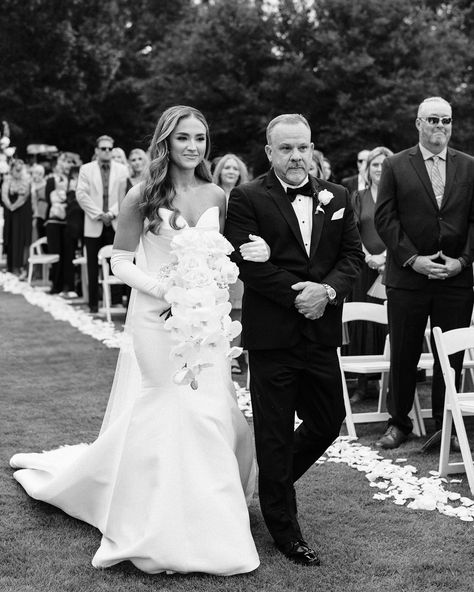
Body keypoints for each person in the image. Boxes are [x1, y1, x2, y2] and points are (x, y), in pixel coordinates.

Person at [10, 105, 270, 576]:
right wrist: (165, 289)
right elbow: (120, 260)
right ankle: (153, 522)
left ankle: (210, 515)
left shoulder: (217, 194)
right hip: (156, 320)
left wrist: (217, 297)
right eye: (183, 138)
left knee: (212, 411)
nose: (193, 147)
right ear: (165, 142)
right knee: (170, 408)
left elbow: (225, 258)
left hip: (205, 323)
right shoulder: (141, 195)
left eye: (200, 138)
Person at [225, 113, 364, 566]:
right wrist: (299, 294)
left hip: (321, 331)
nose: (296, 156)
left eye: (302, 147)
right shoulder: (246, 197)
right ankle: (285, 530)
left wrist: (326, 292)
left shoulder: (337, 196)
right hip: (273, 337)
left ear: (311, 147)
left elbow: (351, 257)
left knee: (327, 422)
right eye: (286, 148)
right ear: (269, 153)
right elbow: (249, 265)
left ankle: (272, 486)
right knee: (275, 432)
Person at [374, 96, 474, 450]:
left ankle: (442, 426)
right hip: (408, 278)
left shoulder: (468, 165)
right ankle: (399, 423)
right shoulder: (396, 165)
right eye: (432, 120)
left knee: (452, 356)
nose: (440, 127)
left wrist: (462, 261)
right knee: (404, 353)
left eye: (446, 121)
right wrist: (413, 259)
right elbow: (385, 218)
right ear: (418, 123)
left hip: (455, 279)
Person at [347, 146, 393, 402]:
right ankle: (363, 385)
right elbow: (353, 231)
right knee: (363, 323)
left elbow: (404, 230)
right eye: (375, 165)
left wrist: (386, 258)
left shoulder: (400, 197)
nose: (379, 169)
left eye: (384, 165)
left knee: (389, 323)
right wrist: (368, 257)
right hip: (364, 270)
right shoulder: (358, 196)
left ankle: (389, 384)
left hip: (393, 267)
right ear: (367, 169)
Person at [76, 135, 129, 313]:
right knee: (93, 266)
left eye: (109, 149)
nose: (107, 151)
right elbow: (81, 195)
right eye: (103, 148)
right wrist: (99, 214)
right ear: (97, 151)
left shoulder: (122, 169)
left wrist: (112, 213)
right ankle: (93, 305)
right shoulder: (86, 169)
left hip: (115, 222)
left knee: (118, 263)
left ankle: (117, 301)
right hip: (94, 222)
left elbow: (124, 196)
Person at [212, 153, 250, 374]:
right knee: (216, 307)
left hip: (236, 258)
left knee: (236, 307)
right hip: (214, 256)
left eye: (235, 168)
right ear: (220, 171)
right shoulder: (211, 194)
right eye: (226, 168)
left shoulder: (245, 194)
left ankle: (233, 355)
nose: (230, 172)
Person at [1, 159, 32, 278]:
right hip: (10, 214)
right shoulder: (7, 179)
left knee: (21, 238)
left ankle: (20, 266)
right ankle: (11, 265)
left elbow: (23, 197)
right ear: (12, 169)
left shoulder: (26, 179)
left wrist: (14, 206)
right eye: (16, 169)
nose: (18, 172)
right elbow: (4, 195)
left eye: (20, 169)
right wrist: (9, 205)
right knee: (10, 237)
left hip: (22, 213)